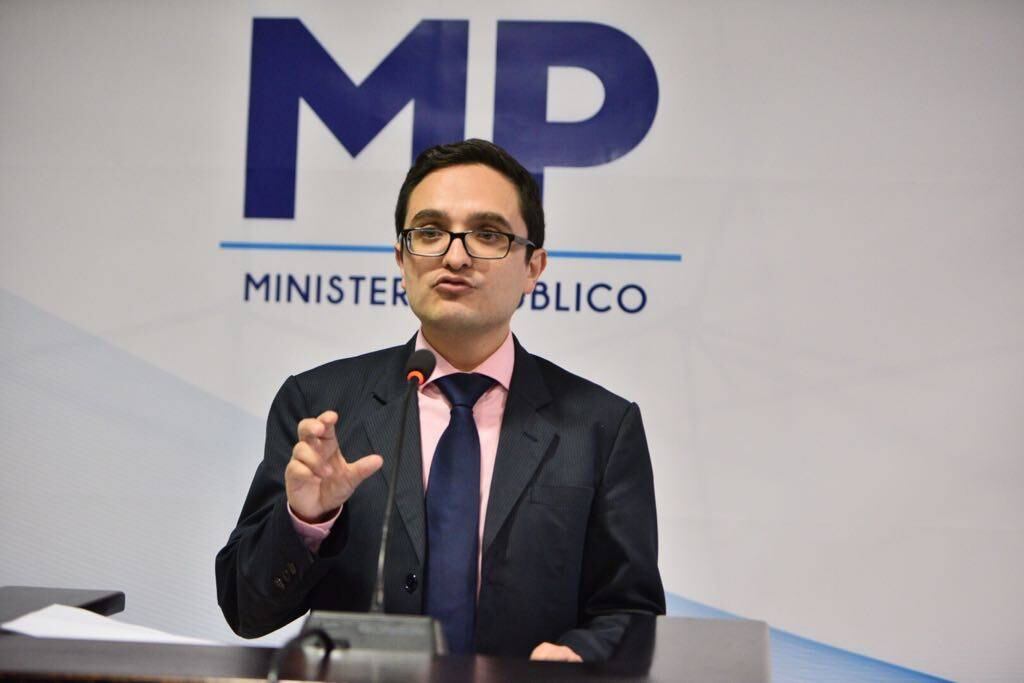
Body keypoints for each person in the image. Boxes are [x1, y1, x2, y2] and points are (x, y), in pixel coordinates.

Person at [215, 139, 664, 662]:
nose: (454, 257)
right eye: (429, 232)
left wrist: (582, 654)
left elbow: (632, 613)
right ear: (401, 259)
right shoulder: (320, 406)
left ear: (533, 267)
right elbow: (246, 610)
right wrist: (305, 520)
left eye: (488, 234)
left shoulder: (600, 427)